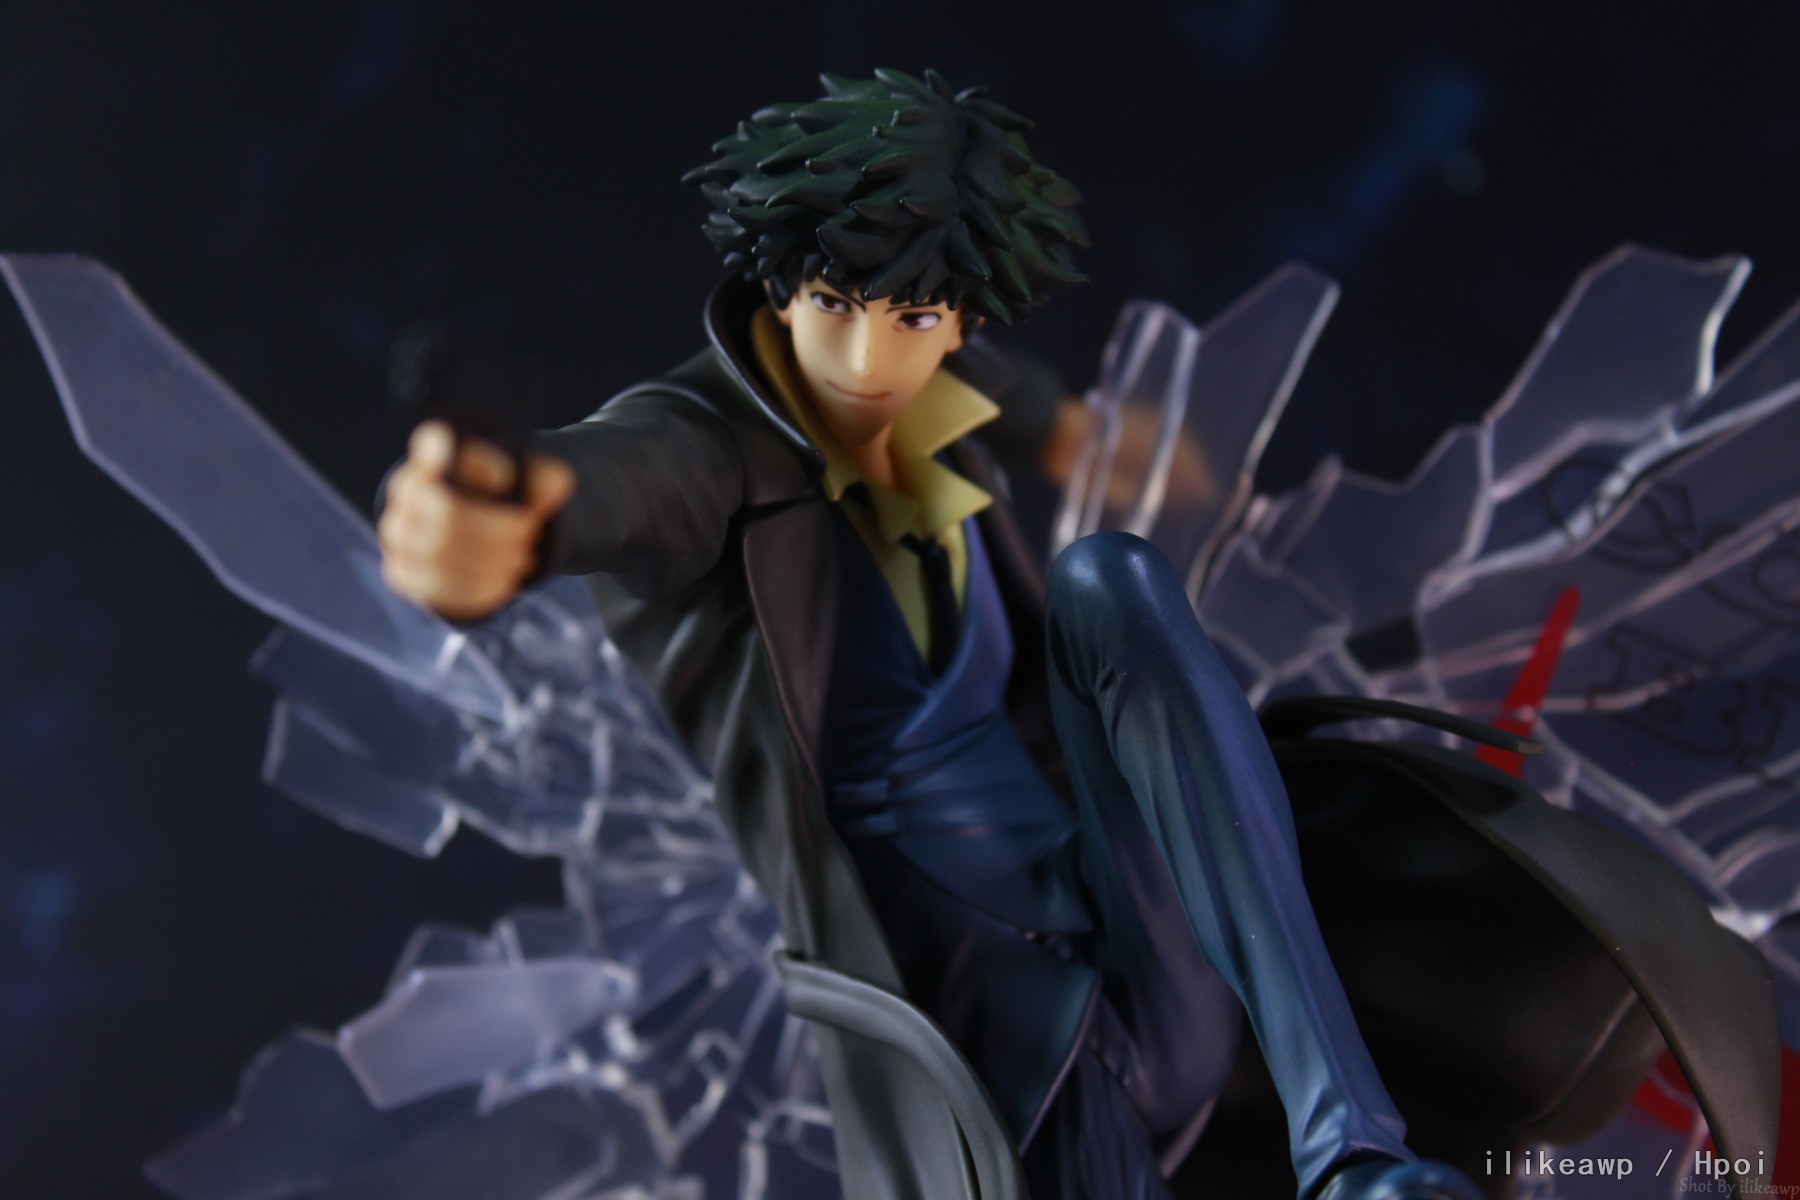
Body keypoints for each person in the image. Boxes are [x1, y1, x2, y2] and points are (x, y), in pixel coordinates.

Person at [377, 68, 1478, 1200]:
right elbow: (612, 479)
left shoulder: (945, 380)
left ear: (958, 320)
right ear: (779, 282)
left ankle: (1353, 1150)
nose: (865, 365)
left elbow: (1015, 393)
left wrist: (1084, 432)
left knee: (1109, 575)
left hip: (1148, 938)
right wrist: (507, 518)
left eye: (909, 320)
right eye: (831, 303)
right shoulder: (702, 446)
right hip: (987, 1037)